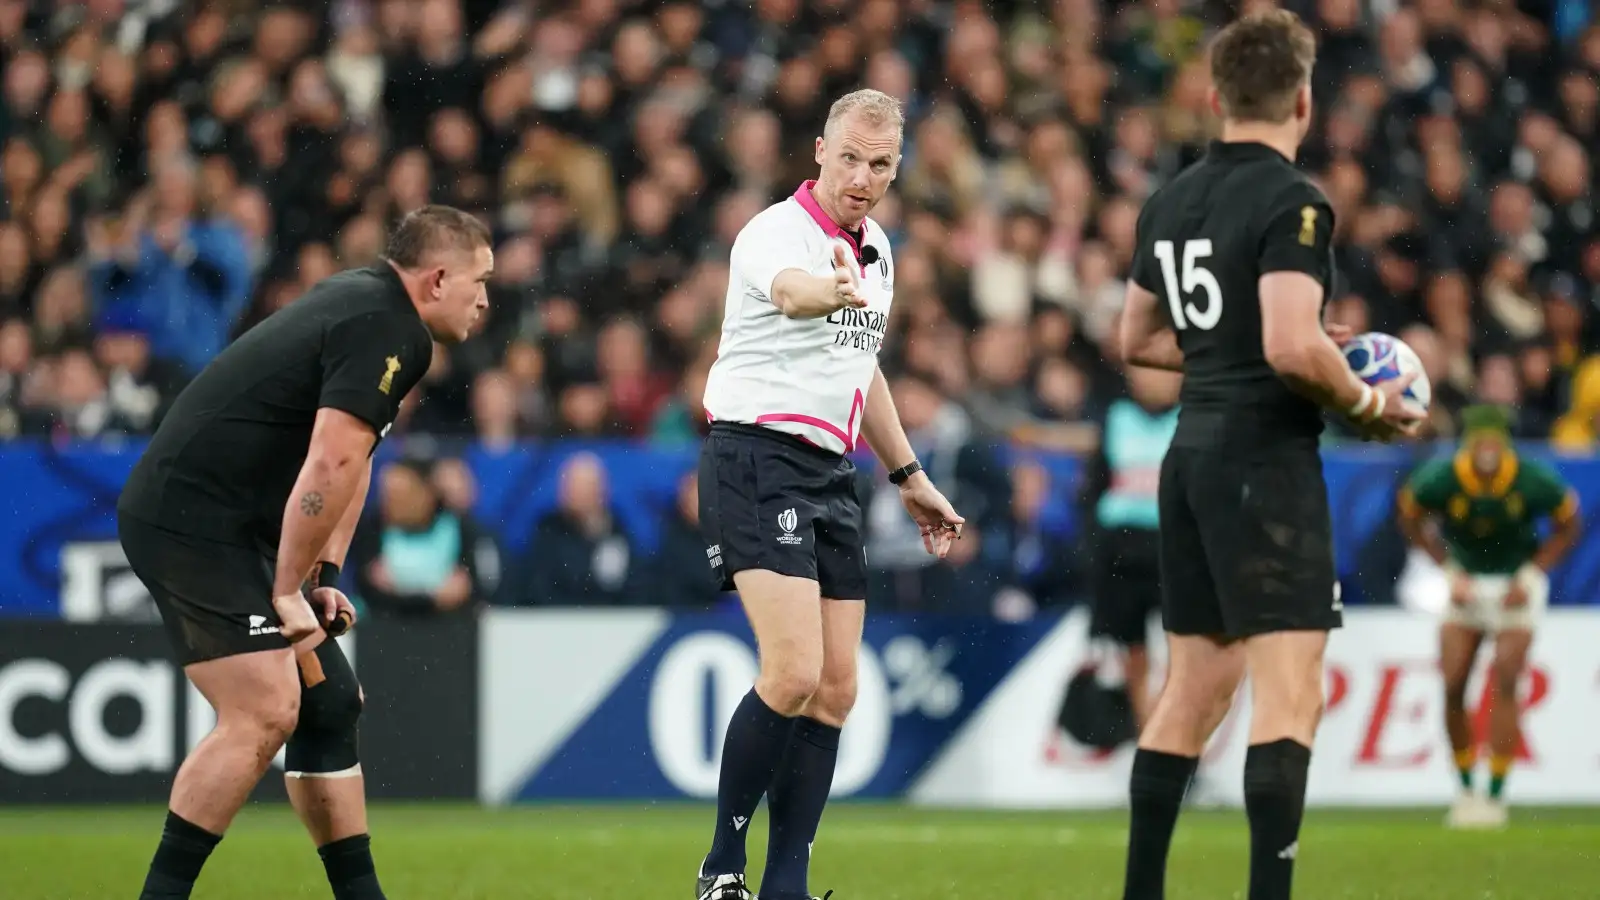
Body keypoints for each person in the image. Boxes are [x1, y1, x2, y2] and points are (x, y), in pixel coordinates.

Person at [1114, 12, 1423, 900]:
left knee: (1193, 689)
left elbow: (1135, 337)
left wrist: (1243, 345)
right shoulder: (1294, 199)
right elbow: (1292, 349)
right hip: (1262, 461)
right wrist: (1364, 401)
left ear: (1214, 96)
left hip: (1191, 457)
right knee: (1289, 694)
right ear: (1303, 97)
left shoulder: (1169, 199)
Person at [115, 205, 491, 900]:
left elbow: (355, 460)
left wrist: (321, 573)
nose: (486, 299)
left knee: (330, 703)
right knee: (265, 708)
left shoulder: (367, 301)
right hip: (190, 522)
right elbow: (327, 463)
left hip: (225, 522)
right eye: (479, 281)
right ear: (438, 279)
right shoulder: (390, 327)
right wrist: (287, 588)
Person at [694, 88, 964, 900]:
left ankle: (786, 884)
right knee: (793, 670)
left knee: (838, 686)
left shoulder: (879, 246)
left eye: (879, 164)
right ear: (819, 149)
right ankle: (720, 870)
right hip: (754, 457)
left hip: (830, 472)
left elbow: (862, 368)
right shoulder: (773, 232)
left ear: (894, 169)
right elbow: (789, 293)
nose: (862, 176)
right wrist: (830, 292)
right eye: (849, 156)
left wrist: (909, 476)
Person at [1396, 404, 1581, 829]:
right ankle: (1465, 788)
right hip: (1466, 581)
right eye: (1479, 441)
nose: (1486, 450)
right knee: (1454, 681)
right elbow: (1409, 514)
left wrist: (1534, 572)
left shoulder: (1530, 478)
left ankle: (1496, 793)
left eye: (1493, 441)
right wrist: (1445, 567)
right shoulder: (1444, 477)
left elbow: (1570, 522)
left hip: (1516, 581)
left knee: (1507, 677)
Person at [1080, 364, 1182, 730]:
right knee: (1133, 652)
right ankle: (1149, 736)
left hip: (1176, 549)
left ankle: (1172, 741)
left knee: (1186, 652)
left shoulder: (1192, 419)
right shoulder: (1116, 418)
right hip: (1122, 551)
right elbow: (1095, 484)